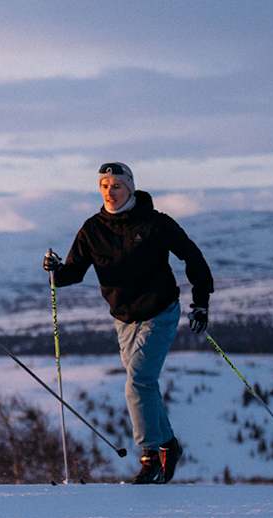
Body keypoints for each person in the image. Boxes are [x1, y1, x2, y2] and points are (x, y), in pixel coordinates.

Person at [43, 162, 212, 484]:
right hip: (122, 318)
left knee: (138, 383)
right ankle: (168, 445)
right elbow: (72, 273)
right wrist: (54, 270)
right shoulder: (93, 228)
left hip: (160, 310)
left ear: (130, 188)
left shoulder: (156, 223)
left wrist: (201, 302)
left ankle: (149, 457)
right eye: (104, 185)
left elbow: (192, 256)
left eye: (116, 185)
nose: (110, 191)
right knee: (145, 386)